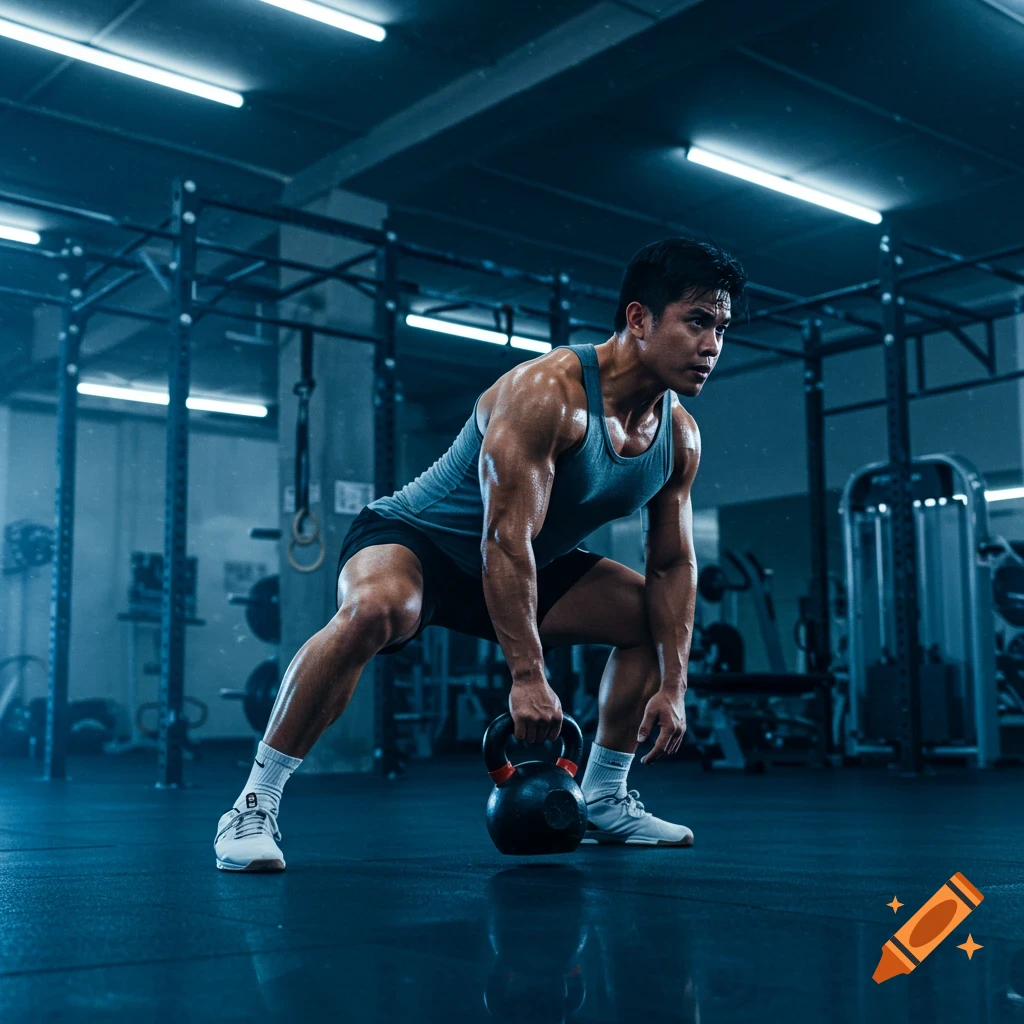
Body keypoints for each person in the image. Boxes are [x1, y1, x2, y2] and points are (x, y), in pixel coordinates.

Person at [214, 236, 746, 871]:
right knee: (374, 612)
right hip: (421, 542)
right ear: (639, 318)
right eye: (696, 321)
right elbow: (503, 539)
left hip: (531, 561)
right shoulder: (547, 393)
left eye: (721, 328)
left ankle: (605, 796)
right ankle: (253, 803)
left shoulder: (679, 437)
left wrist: (676, 685)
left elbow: (672, 566)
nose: (712, 345)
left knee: (648, 618)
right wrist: (527, 676)